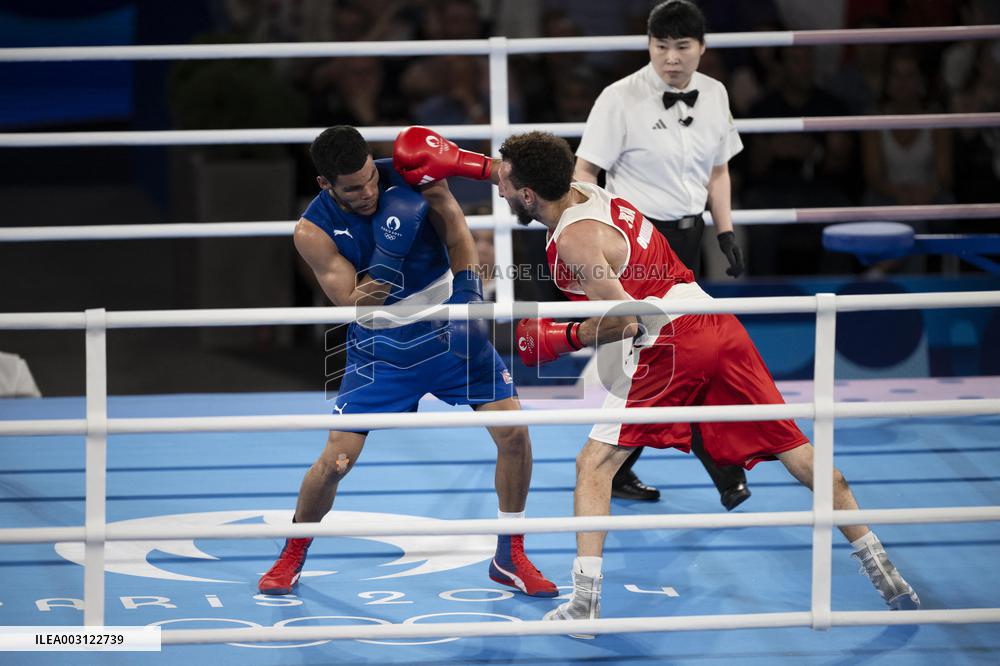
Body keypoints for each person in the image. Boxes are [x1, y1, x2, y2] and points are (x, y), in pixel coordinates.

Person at [390, 126, 920, 629]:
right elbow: (521, 173)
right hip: (718, 324)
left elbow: (629, 317)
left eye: (506, 186)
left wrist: (557, 339)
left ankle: (584, 602)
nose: (498, 189)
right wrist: (462, 164)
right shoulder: (581, 186)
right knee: (795, 447)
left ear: (528, 194)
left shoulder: (576, 243)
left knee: (594, 465)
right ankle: (883, 569)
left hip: (671, 337)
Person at [258, 126, 557, 598]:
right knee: (335, 462)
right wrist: (389, 250)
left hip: (451, 329)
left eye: (370, 180)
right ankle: (292, 553)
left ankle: (510, 554)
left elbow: (458, 232)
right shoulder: (311, 232)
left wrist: (468, 297)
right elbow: (355, 304)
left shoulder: (412, 175)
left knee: (515, 435)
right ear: (325, 185)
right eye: (352, 189)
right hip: (383, 348)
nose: (368, 192)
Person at [573, 0, 749, 508]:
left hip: (689, 236)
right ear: (648, 45)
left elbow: (719, 171)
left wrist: (725, 232)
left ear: (701, 48)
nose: (670, 58)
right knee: (675, 352)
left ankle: (620, 466)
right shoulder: (618, 98)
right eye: (660, 46)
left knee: (659, 356)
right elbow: (585, 173)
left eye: (681, 47)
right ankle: (723, 468)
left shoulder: (714, 94)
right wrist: (597, 234)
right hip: (639, 244)